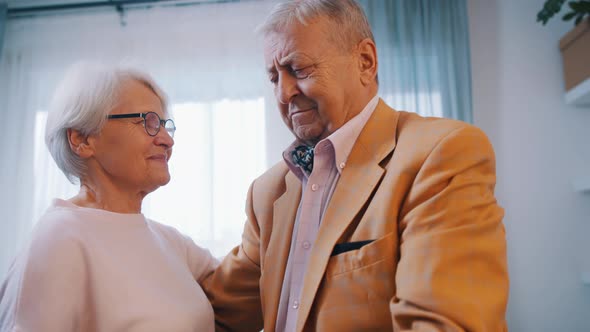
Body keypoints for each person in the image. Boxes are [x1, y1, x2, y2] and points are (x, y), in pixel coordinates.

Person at [201, 0, 509, 331]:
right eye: (274, 77)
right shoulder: (268, 192)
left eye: (298, 69)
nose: (284, 93)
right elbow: (214, 315)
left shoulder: (440, 154)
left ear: (365, 61)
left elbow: (445, 324)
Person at [0, 62, 217, 332]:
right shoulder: (58, 238)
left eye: (163, 124)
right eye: (147, 122)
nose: (166, 140)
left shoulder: (171, 242)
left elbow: (249, 284)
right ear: (83, 140)